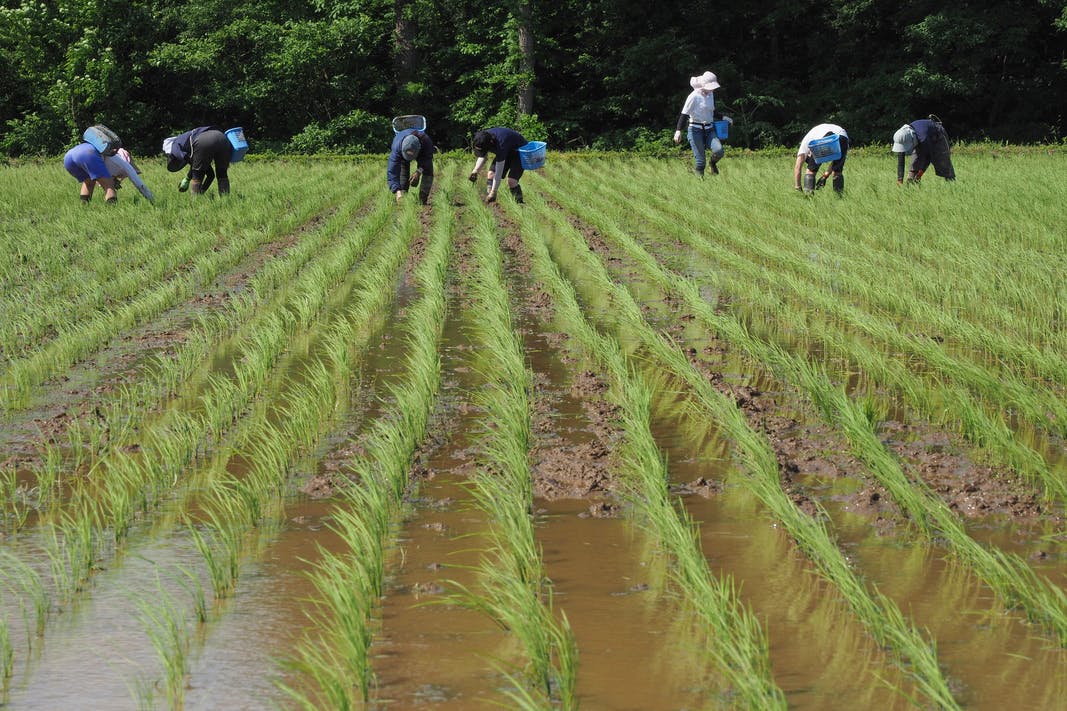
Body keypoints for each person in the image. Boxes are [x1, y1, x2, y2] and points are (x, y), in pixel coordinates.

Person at [673, 71, 732, 177]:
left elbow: (711, 111)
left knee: (719, 151)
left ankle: (712, 163)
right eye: (711, 87)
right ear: (704, 85)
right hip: (695, 130)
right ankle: (700, 186)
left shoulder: (711, 94)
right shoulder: (693, 96)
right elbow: (684, 114)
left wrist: (723, 117)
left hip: (709, 129)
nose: (713, 89)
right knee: (700, 162)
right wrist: (678, 131)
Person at [162, 126, 231, 195]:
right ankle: (226, 200)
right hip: (222, 137)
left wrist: (187, 179)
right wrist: (202, 190)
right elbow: (210, 175)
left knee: (197, 176)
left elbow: (190, 161)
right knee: (222, 174)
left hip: (204, 140)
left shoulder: (175, 146)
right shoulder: (184, 140)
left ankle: (196, 201)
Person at [468, 127, 528, 203]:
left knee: (511, 181)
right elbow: (483, 155)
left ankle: (519, 203)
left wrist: (494, 191)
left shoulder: (500, 145)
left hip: (520, 151)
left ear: (490, 144)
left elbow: (498, 173)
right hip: (507, 149)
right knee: (490, 174)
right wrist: (475, 171)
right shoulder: (482, 137)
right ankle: (490, 199)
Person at [892, 117, 955, 184]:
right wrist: (900, 179)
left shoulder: (923, 138)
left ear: (912, 141)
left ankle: (951, 184)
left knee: (943, 165)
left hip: (938, 136)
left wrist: (920, 173)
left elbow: (928, 157)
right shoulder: (902, 137)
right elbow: (901, 159)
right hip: (921, 137)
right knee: (914, 164)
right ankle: (910, 187)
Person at [794, 123, 849, 194]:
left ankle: (808, 197)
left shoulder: (805, 144)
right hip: (843, 137)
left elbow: (798, 167)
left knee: (810, 171)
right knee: (837, 171)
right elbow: (835, 162)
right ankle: (839, 198)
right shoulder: (814, 133)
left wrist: (797, 187)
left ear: (808, 153)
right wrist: (825, 176)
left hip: (826, 136)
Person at [387, 127, 434, 204]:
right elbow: (392, 172)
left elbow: (426, 161)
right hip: (402, 147)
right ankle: (402, 195)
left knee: (428, 170)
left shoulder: (426, 143)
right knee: (403, 168)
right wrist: (397, 191)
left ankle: (423, 199)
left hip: (422, 150)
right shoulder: (397, 147)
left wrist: (419, 172)